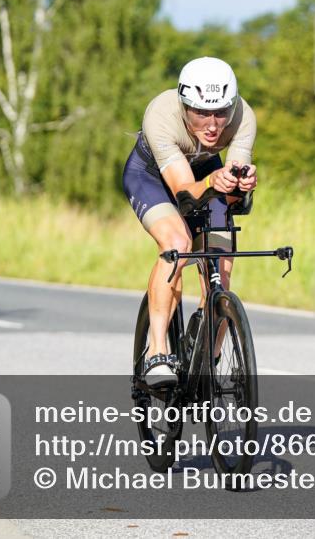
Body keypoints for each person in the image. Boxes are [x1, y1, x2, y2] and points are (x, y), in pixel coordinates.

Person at [122, 56, 257, 385]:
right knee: (177, 245)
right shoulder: (161, 115)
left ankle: (207, 358)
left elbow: (232, 194)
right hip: (154, 178)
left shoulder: (244, 117)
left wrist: (241, 186)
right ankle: (157, 351)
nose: (213, 125)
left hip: (206, 174)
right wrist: (214, 183)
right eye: (201, 113)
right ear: (184, 105)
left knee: (222, 262)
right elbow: (183, 192)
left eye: (221, 112)